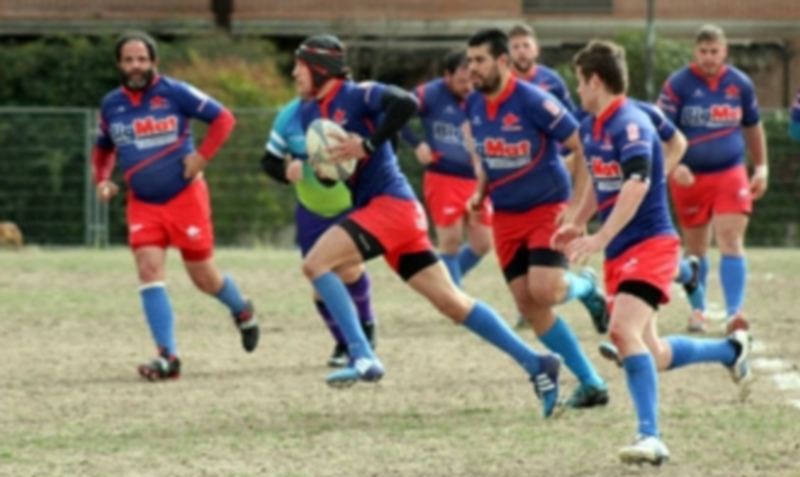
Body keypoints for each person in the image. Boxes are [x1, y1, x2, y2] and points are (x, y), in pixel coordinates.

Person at [294, 34, 563, 417]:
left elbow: (404, 104)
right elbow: (331, 178)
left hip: (392, 207)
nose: (293, 73)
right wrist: (324, 167)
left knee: (315, 264)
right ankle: (538, 363)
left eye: (299, 66)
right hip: (388, 215)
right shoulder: (309, 113)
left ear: (319, 68)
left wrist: (367, 145)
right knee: (454, 304)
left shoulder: (358, 95)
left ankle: (362, 354)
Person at [555, 39, 753, 465]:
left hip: (651, 244)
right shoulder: (591, 125)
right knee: (654, 353)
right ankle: (731, 350)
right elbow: (601, 179)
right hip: (624, 250)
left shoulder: (629, 122)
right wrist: (578, 220)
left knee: (622, 332)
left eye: (580, 83)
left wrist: (599, 238)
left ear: (595, 80)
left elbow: (637, 184)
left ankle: (651, 438)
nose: (578, 92)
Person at [92, 31, 259, 381]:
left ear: (154, 62)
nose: (135, 66)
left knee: (204, 278)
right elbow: (104, 148)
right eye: (128, 60)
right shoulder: (111, 104)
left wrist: (201, 158)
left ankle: (242, 310)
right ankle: (168, 357)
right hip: (143, 204)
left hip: (186, 199)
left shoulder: (174, 91)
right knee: (149, 272)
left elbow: (224, 119)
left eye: (142, 59)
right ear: (119, 64)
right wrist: (103, 180)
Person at [464, 28, 609, 411]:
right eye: (469, 61)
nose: (471, 68)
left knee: (545, 290)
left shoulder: (535, 102)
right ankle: (592, 382)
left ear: (502, 62)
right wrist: (480, 192)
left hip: (547, 208)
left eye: (479, 60)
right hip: (505, 217)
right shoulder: (474, 105)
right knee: (529, 305)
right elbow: (486, 153)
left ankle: (586, 289)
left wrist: (577, 209)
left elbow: (582, 146)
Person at [657, 24, 768, 333]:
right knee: (696, 250)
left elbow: (753, 127)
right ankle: (698, 311)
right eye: (703, 51)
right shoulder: (678, 84)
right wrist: (673, 165)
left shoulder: (740, 84)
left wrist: (761, 167)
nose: (708, 58)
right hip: (690, 178)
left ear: (725, 51)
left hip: (731, 172)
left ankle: (735, 313)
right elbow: (661, 129)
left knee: (731, 239)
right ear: (696, 51)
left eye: (714, 51)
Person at [262, 97, 377, 367]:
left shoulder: (350, 106)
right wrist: (284, 172)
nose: (298, 77)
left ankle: (366, 325)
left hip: (349, 206)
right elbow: (268, 160)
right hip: (311, 212)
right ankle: (343, 342)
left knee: (348, 271)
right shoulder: (289, 115)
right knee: (319, 286)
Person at [400, 49, 492, 287]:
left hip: (477, 178)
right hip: (443, 177)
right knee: (449, 243)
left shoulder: (482, 94)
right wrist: (417, 144)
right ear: (447, 76)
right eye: (461, 81)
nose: (467, 87)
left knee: (483, 243)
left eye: (471, 80)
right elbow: (396, 114)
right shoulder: (430, 94)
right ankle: (456, 296)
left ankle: (446, 285)